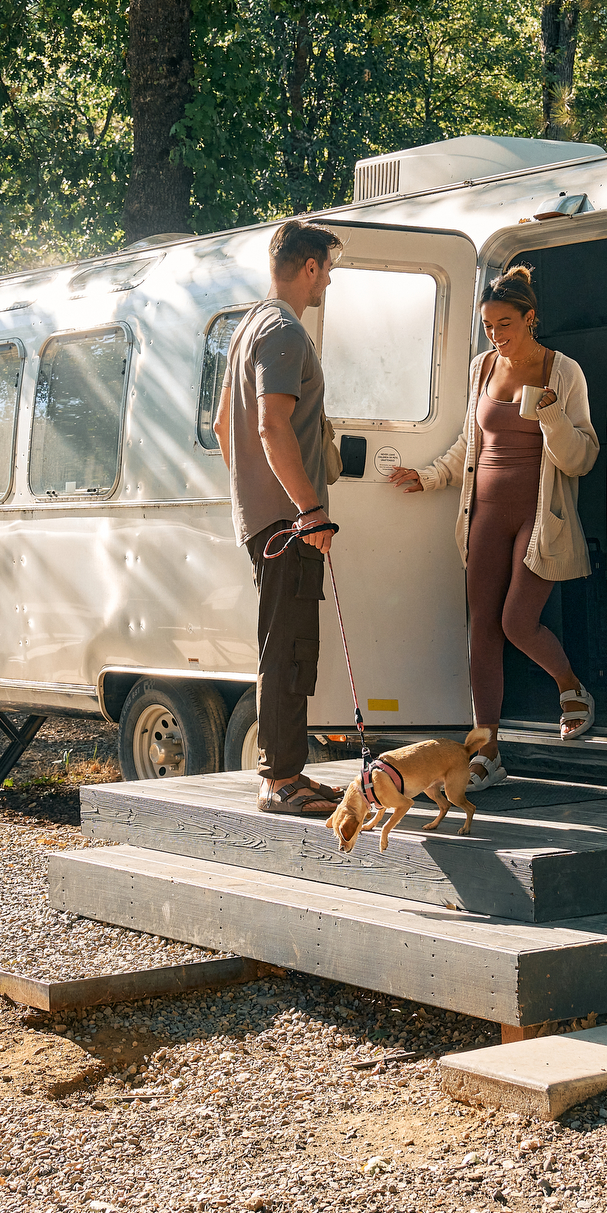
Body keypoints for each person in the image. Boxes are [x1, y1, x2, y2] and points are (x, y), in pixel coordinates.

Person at [388, 263, 601, 740]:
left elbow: (582, 458)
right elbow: (470, 442)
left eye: (504, 323)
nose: (495, 334)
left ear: (530, 318)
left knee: (516, 622)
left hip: (537, 515)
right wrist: (429, 476)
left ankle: (572, 689)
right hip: (484, 512)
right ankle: (486, 748)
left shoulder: (562, 371)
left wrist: (550, 415)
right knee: (481, 626)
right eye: (488, 325)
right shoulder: (481, 367)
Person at [213, 221, 343, 815]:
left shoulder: (246, 328)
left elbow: (224, 428)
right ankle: (283, 781)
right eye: (328, 271)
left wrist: (253, 494)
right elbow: (271, 424)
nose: (327, 282)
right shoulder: (285, 331)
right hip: (288, 524)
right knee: (290, 647)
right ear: (310, 267)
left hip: (264, 517)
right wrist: (308, 509)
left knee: (280, 642)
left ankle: (283, 773)